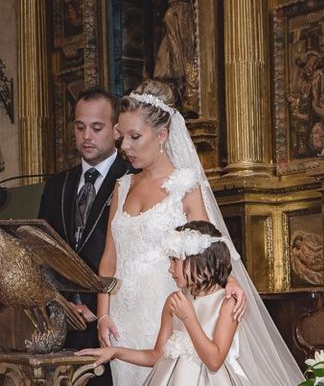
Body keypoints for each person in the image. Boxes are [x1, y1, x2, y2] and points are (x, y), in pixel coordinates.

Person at [95, 79, 304, 385]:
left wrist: (230, 281)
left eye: (134, 136)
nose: (124, 147)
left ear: (162, 134)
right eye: (121, 136)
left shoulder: (184, 184)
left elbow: (209, 244)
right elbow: (109, 260)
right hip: (121, 317)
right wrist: (103, 315)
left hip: (167, 306)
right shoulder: (121, 187)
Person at [77, 221, 250, 385]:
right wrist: (116, 352)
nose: (170, 269)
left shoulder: (227, 303)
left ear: (198, 259)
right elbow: (156, 355)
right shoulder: (173, 301)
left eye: (175, 260)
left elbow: (214, 361)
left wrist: (188, 318)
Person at [38, 86, 131, 386]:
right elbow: (43, 252)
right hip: (62, 327)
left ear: (116, 130)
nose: (86, 136)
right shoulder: (56, 186)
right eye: (80, 127)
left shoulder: (132, 177)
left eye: (96, 127)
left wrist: (98, 308)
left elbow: (135, 256)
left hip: (115, 326)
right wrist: (62, 305)